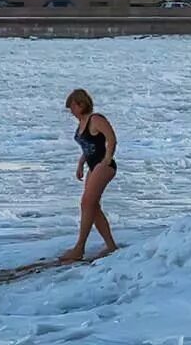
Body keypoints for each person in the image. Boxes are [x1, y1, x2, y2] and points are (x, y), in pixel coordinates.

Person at [63, 88, 118, 261]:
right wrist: (80, 164)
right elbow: (88, 147)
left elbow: (111, 138)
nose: (71, 112)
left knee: (87, 203)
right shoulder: (82, 123)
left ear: (81, 104)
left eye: (72, 107)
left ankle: (79, 248)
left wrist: (107, 159)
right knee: (93, 207)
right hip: (92, 166)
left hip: (104, 165)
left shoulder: (96, 119)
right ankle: (111, 246)